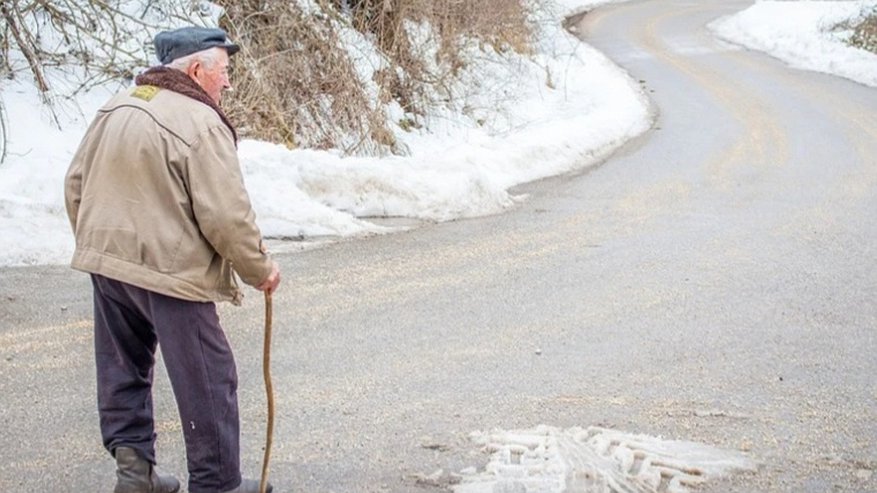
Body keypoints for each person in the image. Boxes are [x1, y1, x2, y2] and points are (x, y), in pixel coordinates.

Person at [64, 26, 280, 493]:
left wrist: (100, 243)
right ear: (197, 69)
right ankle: (217, 484)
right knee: (208, 378)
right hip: (171, 273)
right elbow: (227, 216)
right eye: (224, 71)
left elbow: (75, 184)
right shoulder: (200, 122)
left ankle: (134, 474)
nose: (228, 83)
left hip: (109, 266)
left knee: (124, 368)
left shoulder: (117, 106)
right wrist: (259, 269)